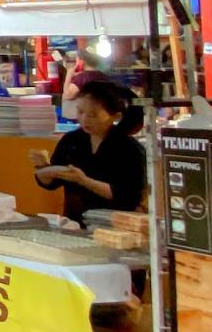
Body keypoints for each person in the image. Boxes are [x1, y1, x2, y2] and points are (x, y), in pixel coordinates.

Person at [30, 78, 147, 226]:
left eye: (93, 115)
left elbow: (127, 197)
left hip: (115, 228)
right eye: (80, 112)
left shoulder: (130, 149)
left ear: (116, 116)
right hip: (74, 225)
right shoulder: (72, 140)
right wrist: (44, 168)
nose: (84, 119)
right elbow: (51, 184)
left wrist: (84, 181)